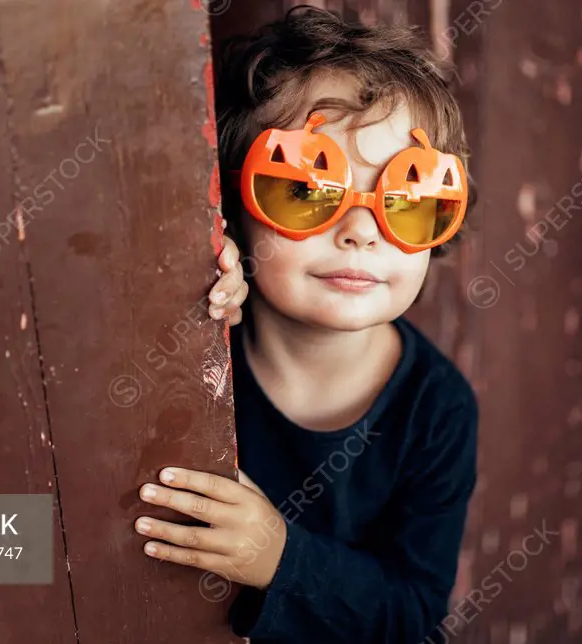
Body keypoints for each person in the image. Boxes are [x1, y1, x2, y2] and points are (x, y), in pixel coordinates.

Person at [134, 6, 479, 642]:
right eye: (302, 187)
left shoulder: (439, 411)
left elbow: (411, 613)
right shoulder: (200, 333)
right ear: (232, 209)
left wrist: (280, 558)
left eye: (409, 196)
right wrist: (194, 284)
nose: (360, 233)